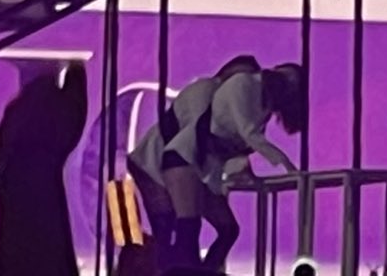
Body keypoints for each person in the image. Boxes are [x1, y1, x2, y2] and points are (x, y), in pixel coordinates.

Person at [128, 57, 304, 272]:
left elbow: (232, 147)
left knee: (223, 228)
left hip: (190, 166)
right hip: (159, 161)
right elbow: (201, 135)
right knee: (174, 228)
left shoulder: (252, 108)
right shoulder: (205, 93)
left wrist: (239, 168)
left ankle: (203, 269)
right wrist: (283, 163)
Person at [0, 61, 86, 276]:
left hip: (19, 192)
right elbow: (74, 116)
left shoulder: (18, 111)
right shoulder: (58, 109)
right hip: (44, 190)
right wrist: (77, 74)